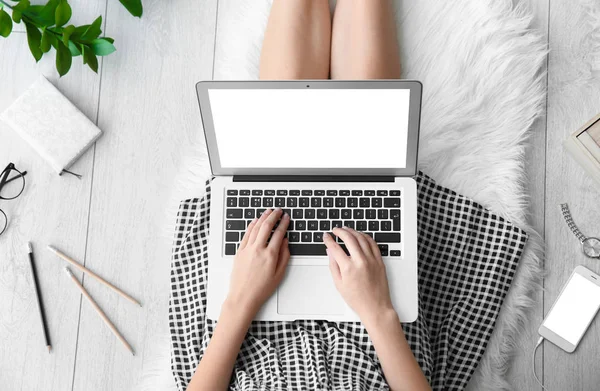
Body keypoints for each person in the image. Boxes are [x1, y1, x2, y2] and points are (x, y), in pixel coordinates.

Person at [188, 1, 430, 390]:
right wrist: (378, 311)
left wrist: (241, 300)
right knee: (365, 136)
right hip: (375, 340)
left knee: (286, 134)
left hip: (251, 328)